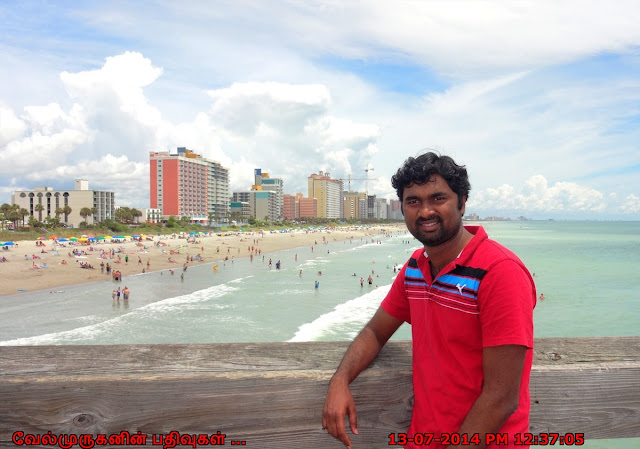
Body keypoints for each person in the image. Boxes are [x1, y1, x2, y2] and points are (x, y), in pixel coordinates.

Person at [322, 152, 536, 449]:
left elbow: (501, 398)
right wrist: (340, 380)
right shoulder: (415, 267)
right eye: (413, 201)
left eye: (438, 198)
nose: (425, 211)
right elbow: (375, 331)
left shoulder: (500, 272)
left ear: (462, 202)